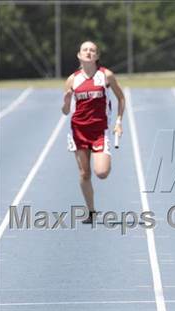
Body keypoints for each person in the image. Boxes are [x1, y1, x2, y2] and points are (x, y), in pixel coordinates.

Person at [61, 41, 125, 224]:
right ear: (79, 55)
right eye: (85, 50)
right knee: (84, 174)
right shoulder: (72, 79)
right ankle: (91, 212)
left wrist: (119, 121)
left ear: (97, 56)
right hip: (78, 131)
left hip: (99, 131)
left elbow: (121, 98)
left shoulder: (106, 75)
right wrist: (66, 101)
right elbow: (65, 111)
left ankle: (103, 160)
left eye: (92, 50)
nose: (89, 53)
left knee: (102, 172)